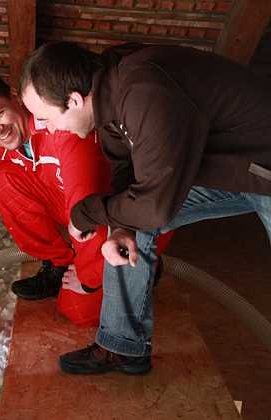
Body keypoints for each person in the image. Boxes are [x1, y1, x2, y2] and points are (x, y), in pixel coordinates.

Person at [20, 41, 271, 375]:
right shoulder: (109, 93)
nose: (46, 129)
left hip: (264, 165)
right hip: (237, 170)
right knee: (133, 226)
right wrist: (120, 227)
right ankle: (124, 348)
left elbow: (154, 206)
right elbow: (128, 169)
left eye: (45, 118)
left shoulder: (143, 92)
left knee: (145, 214)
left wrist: (86, 213)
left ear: (75, 100)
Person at [0, 72, 113, 326]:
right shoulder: (0, 151)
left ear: (15, 97)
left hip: (111, 219)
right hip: (78, 216)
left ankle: (144, 265)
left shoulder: (61, 127)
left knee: (79, 312)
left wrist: (88, 278)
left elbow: (88, 209)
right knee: (1, 180)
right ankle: (59, 264)